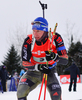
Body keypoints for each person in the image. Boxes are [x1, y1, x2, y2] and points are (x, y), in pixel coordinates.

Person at [17, 17, 68, 100]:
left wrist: (54, 57)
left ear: (45, 31)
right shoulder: (29, 41)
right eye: (33, 31)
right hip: (33, 72)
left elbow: (65, 60)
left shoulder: (55, 38)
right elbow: (24, 63)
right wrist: (38, 67)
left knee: (56, 94)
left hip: (50, 71)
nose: (35, 34)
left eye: (38, 31)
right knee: (21, 92)